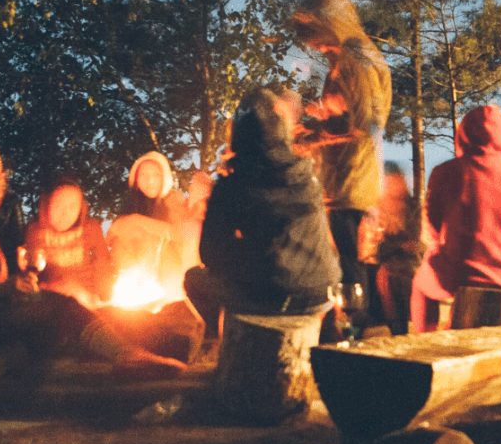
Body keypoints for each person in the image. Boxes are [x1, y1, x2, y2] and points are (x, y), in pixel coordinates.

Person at [0, 138, 184, 381]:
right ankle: (126, 354)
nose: (4, 176)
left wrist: (12, 286)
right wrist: (0, 288)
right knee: (62, 307)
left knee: (53, 328)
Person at [184, 86, 340, 325]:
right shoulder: (305, 174)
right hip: (322, 291)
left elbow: (211, 253)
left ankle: (222, 339)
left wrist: (250, 255)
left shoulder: (234, 184)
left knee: (194, 278)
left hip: (273, 298)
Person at [291, 0, 392, 316]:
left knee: (351, 268)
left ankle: (357, 340)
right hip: (345, 180)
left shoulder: (357, 58)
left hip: (351, 182)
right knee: (352, 264)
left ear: (331, 23)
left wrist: (313, 141)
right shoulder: (350, 58)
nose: (313, 45)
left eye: (316, 35)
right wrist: (320, 114)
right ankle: (363, 332)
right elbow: (348, 112)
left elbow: (366, 126)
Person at [410, 105, 501, 333]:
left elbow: (432, 224)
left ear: (462, 135)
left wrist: (437, 250)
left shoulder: (447, 171)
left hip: (462, 273)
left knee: (420, 283)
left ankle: (424, 339)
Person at [107, 151, 203, 296]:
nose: (150, 181)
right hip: (138, 270)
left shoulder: (173, 199)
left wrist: (138, 221)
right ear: (136, 179)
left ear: (164, 177)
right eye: (144, 175)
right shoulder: (132, 203)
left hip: (171, 271)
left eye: (156, 175)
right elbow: (113, 234)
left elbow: (183, 234)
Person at [22, 177, 113, 310]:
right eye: (58, 205)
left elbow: (102, 263)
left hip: (89, 300)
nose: (65, 213)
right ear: (47, 205)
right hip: (53, 302)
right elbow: (32, 274)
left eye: (72, 207)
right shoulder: (36, 231)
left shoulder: (90, 228)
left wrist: (105, 296)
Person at [362, 162, 426, 334]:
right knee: (383, 276)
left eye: (394, 181)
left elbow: (416, 243)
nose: (391, 187)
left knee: (400, 277)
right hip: (386, 262)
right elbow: (377, 245)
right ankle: (394, 326)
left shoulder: (413, 208)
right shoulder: (378, 207)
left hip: (410, 263)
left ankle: (406, 325)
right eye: (387, 182)